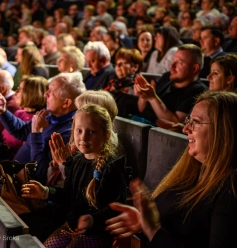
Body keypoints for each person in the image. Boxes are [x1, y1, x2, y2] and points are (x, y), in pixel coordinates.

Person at [106, 91, 237, 248]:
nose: (185, 129)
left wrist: (151, 229)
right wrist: (140, 229)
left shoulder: (230, 188)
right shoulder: (192, 170)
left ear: (223, 130)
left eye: (195, 121)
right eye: (188, 120)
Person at [21, 103, 127, 247]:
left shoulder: (111, 168)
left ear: (106, 135)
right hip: (71, 225)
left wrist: (91, 219)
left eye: (92, 132)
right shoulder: (76, 160)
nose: (83, 137)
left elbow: (115, 208)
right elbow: (68, 195)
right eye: (79, 130)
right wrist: (45, 192)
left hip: (96, 232)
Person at [0, 73, 86, 184]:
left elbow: (41, 172)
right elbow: (21, 131)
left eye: (51, 92)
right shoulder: (50, 115)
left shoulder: (68, 134)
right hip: (13, 178)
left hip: (26, 187)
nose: (45, 94)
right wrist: (3, 111)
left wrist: (36, 133)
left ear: (66, 102)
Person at [134, 44, 208, 124]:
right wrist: (144, 96)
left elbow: (175, 125)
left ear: (194, 68)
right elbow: (141, 109)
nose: (172, 66)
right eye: (173, 60)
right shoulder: (167, 77)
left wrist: (152, 98)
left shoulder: (199, 92)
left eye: (179, 62)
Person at [105, 48, 143, 118]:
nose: (118, 66)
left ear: (135, 67)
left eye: (123, 63)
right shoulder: (113, 82)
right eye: (117, 63)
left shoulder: (138, 86)